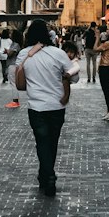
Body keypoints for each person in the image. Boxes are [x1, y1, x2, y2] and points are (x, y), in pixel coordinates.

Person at [15, 18, 78, 195]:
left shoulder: (24, 54)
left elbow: (17, 81)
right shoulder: (58, 54)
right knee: (52, 142)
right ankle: (47, 175)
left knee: (41, 142)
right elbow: (74, 77)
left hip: (36, 107)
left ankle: (46, 175)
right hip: (57, 105)